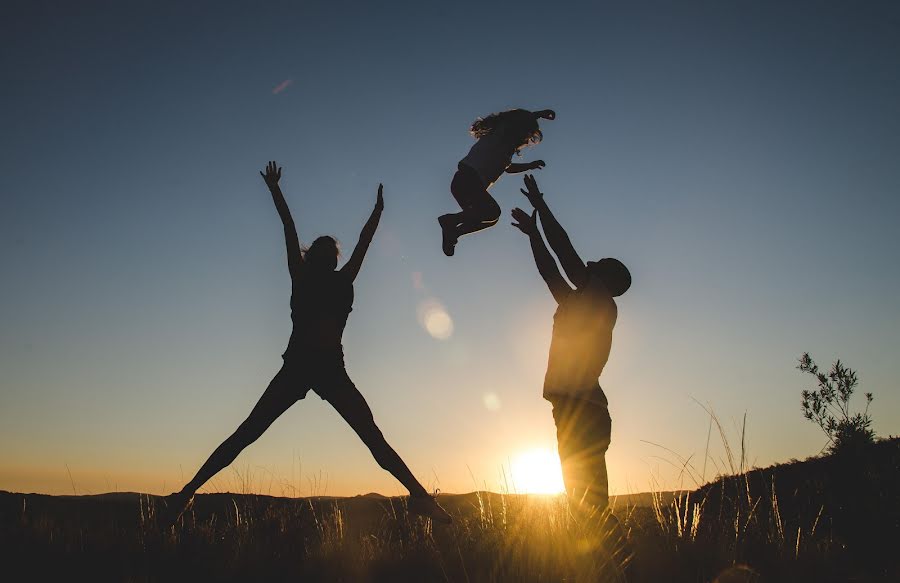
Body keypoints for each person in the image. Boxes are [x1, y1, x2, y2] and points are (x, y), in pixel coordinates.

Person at [160, 162, 451, 525]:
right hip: (301, 368)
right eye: (326, 250)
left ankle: (419, 497)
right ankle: (184, 496)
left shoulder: (334, 279)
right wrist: (275, 190)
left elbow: (360, 242)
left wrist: (377, 213)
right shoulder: (308, 277)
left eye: (332, 251)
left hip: (326, 369)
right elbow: (290, 226)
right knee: (248, 433)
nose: (330, 253)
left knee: (371, 438)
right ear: (316, 255)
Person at [510, 174, 631, 512]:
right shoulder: (580, 305)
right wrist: (534, 235)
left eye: (595, 267)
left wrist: (541, 206)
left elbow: (564, 251)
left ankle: (613, 562)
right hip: (574, 409)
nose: (588, 266)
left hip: (583, 409)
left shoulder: (600, 300)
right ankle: (609, 561)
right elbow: (551, 271)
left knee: (587, 505)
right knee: (583, 504)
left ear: (604, 279)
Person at [438, 108, 555, 256]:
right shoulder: (500, 133)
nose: (526, 140)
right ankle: (450, 221)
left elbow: (509, 168)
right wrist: (538, 114)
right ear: (519, 129)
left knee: (490, 218)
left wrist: (530, 165)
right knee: (492, 212)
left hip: (467, 187)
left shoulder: (507, 151)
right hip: (467, 179)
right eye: (526, 134)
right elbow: (515, 118)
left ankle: (453, 232)